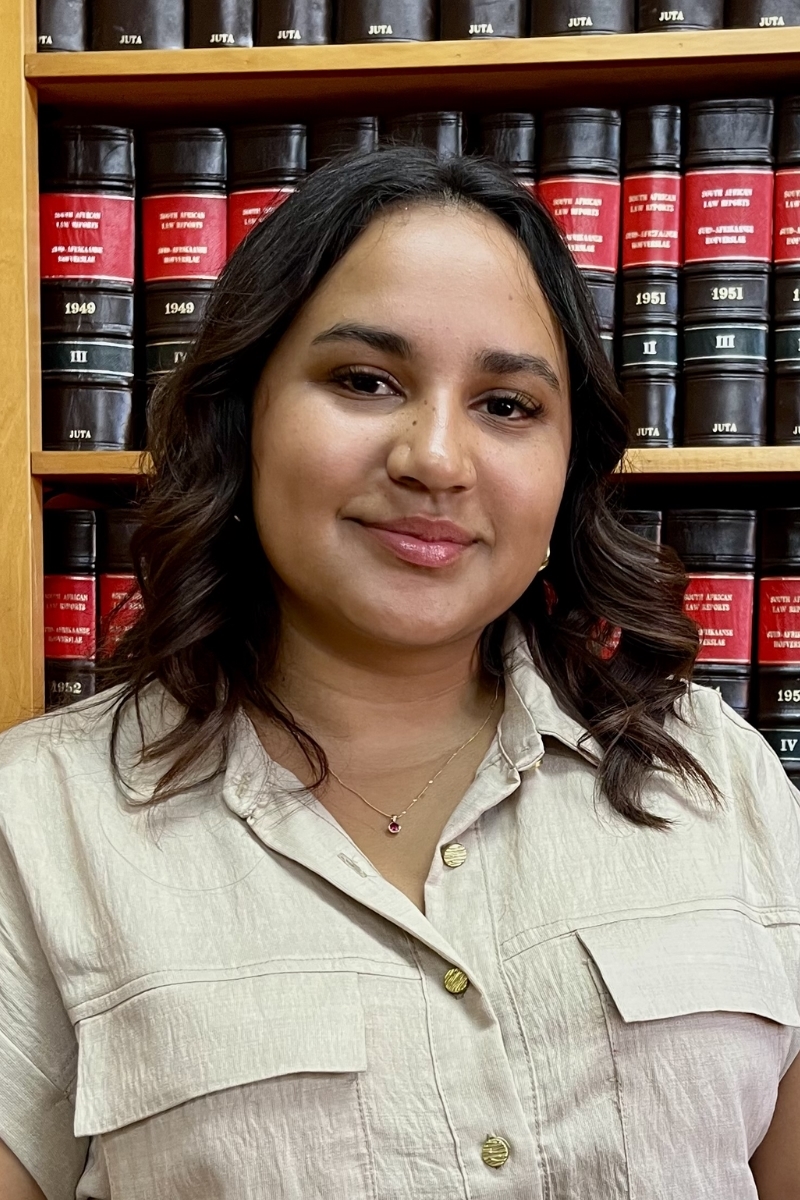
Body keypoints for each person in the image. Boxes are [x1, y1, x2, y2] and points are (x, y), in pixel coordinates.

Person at [1, 146, 798, 1200]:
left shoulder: (716, 775)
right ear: (243, 418)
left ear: (568, 470)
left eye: (506, 404)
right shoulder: (40, 822)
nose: (435, 459)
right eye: (364, 382)